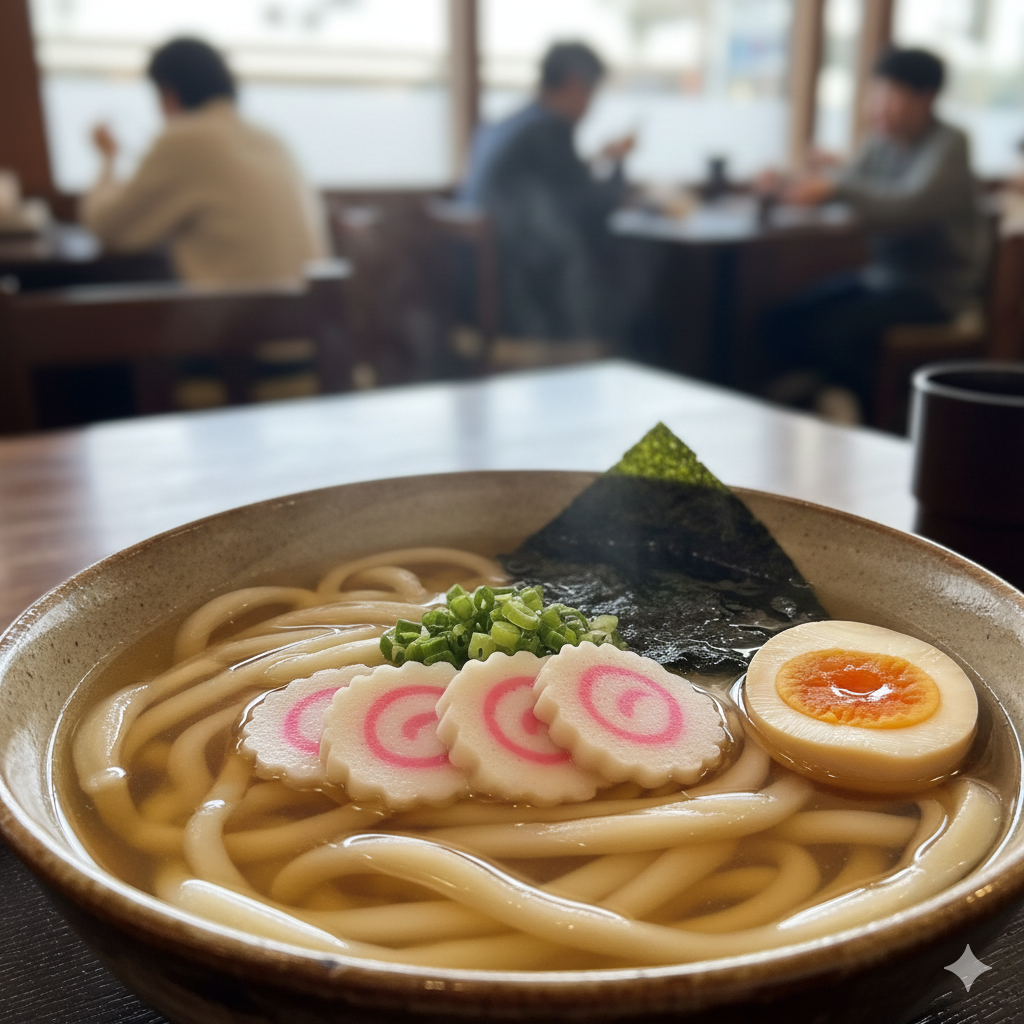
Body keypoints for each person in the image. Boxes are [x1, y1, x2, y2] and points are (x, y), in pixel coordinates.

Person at [762, 47, 989, 421]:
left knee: (832, 333)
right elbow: (846, 185)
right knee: (781, 320)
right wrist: (788, 183)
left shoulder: (949, 143)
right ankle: (829, 397)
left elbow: (906, 208)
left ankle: (873, 420)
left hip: (938, 292)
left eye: (890, 96)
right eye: (875, 95)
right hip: (884, 279)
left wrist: (834, 187)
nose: (878, 107)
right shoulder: (881, 140)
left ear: (926, 97)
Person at [81, 37, 328, 287]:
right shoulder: (271, 137)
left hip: (239, 321)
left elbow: (108, 227)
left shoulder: (185, 139)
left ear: (168, 93)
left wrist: (108, 158)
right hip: (308, 316)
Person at [461, 42, 635, 343]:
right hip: (527, 309)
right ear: (572, 85)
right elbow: (593, 210)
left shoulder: (506, 125)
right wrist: (619, 163)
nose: (591, 106)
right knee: (639, 299)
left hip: (475, 300)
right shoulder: (548, 131)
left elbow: (550, 192)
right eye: (591, 93)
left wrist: (598, 160)